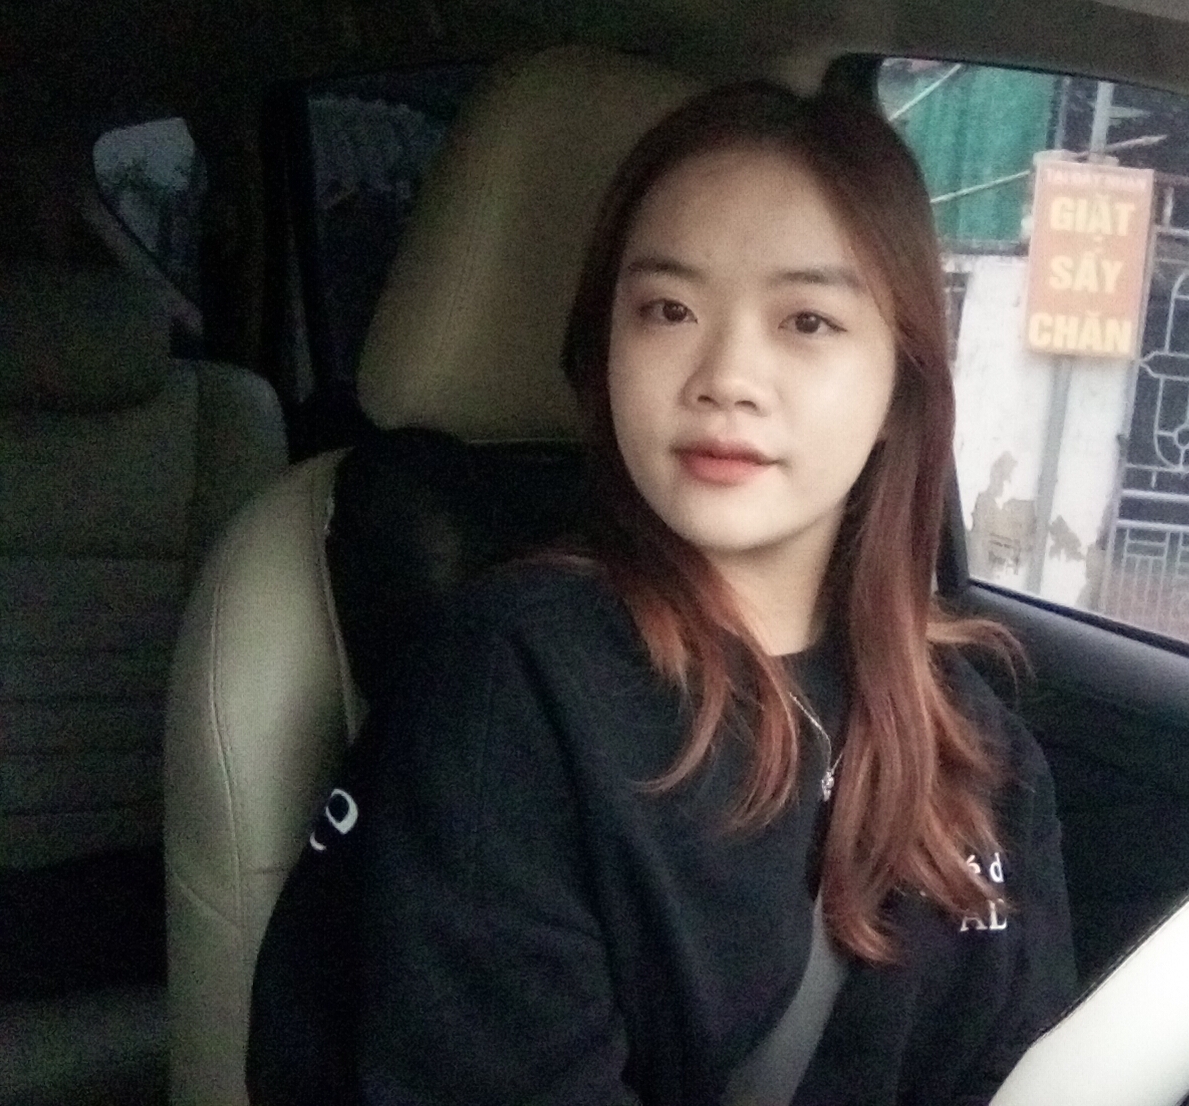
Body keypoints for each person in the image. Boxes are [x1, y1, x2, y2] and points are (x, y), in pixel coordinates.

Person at [248, 81, 1076, 1105]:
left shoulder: (979, 746)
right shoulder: (518, 687)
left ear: (898, 384)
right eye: (668, 310)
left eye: (808, 320)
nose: (726, 375)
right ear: (605, 350)